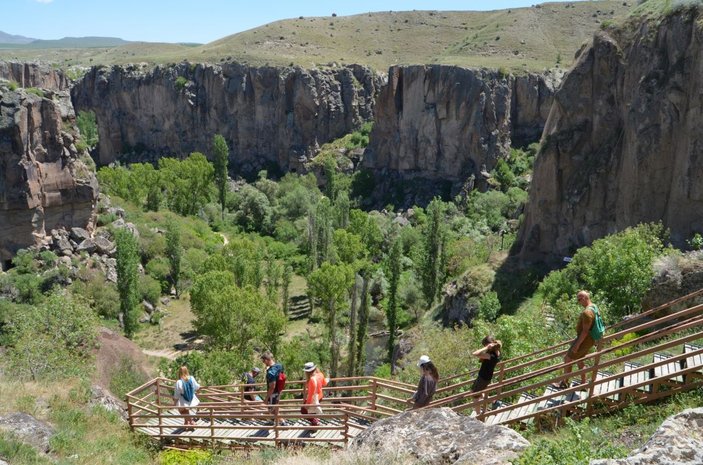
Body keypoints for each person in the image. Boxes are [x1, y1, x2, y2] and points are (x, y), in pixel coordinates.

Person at [555, 290, 597, 389]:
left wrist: (577, 345)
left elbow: (585, 331)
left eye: (579, 299)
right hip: (589, 340)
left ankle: (564, 383)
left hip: (585, 340)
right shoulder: (593, 306)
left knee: (568, 359)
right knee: (579, 360)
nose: (578, 302)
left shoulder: (587, 312)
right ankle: (583, 383)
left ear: (585, 298)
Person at [470, 336, 502, 416]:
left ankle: (479, 416)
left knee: (475, 396)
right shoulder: (497, 352)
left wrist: (486, 348)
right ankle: (494, 402)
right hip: (486, 377)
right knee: (476, 392)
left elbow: (475, 353)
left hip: (483, 378)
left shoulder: (490, 355)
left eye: (484, 345)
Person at [173, 365, 200, 431]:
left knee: (181, 410)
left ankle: (191, 422)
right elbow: (197, 387)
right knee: (185, 410)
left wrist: (174, 403)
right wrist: (197, 392)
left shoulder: (179, 382)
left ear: (179, 373)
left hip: (184, 400)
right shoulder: (192, 378)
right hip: (192, 400)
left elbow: (176, 395)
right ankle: (186, 423)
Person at [261, 351, 285, 423]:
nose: (263, 363)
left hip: (273, 393)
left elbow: (272, 387)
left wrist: (266, 398)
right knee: (274, 408)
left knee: (272, 409)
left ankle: (282, 421)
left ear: (266, 360)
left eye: (263, 361)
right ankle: (272, 421)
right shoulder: (279, 366)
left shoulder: (271, 372)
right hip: (279, 391)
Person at [302, 362, 324, 429]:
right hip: (320, 396)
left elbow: (311, 393)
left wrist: (307, 404)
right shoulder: (320, 375)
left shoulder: (311, 379)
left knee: (304, 410)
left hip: (314, 398)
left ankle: (316, 423)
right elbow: (324, 383)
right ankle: (315, 424)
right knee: (312, 412)